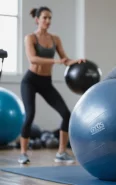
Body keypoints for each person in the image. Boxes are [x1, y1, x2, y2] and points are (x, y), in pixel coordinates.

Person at [18, 6, 85, 164]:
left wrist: (76, 62)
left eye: (50, 18)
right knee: (29, 115)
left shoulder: (55, 39)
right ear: (37, 19)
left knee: (66, 114)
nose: (48, 21)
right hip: (30, 80)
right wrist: (55, 61)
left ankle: (61, 152)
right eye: (44, 18)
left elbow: (65, 59)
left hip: (46, 82)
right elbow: (33, 59)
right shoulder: (30, 38)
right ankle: (23, 153)